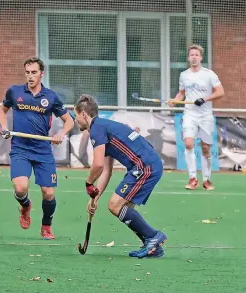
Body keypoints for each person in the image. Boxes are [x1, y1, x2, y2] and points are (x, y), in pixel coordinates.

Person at [73, 94, 166, 258]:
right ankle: (152, 246)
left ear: (83, 114)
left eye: (75, 116)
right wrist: (94, 198)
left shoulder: (96, 128)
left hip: (144, 166)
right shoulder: (103, 127)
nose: (75, 120)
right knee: (125, 208)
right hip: (147, 164)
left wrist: (88, 183)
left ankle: (153, 236)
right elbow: (106, 170)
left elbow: (98, 164)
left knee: (115, 205)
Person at [0, 57, 74, 240]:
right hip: (20, 148)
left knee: (48, 193)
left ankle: (46, 226)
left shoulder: (51, 97)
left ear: (42, 74)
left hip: (42, 150)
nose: (30, 76)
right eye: (27, 72)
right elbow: (2, 110)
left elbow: (69, 121)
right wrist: (4, 128)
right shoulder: (15, 92)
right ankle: (25, 206)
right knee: (20, 187)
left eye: (34, 72)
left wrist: (61, 134)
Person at [169, 44, 225, 190]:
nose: (194, 57)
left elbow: (220, 91)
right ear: (188, 58)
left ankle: (207, 180)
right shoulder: (184, 75)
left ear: (200, 57)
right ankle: (192, 178)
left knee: (205, 148)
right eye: (191, 55)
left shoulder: (209, 74)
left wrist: (205, 99)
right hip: (190, 114)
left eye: (196, 55)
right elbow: (181, 93)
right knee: (188, 144)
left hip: (206, 115)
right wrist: (175, 101)